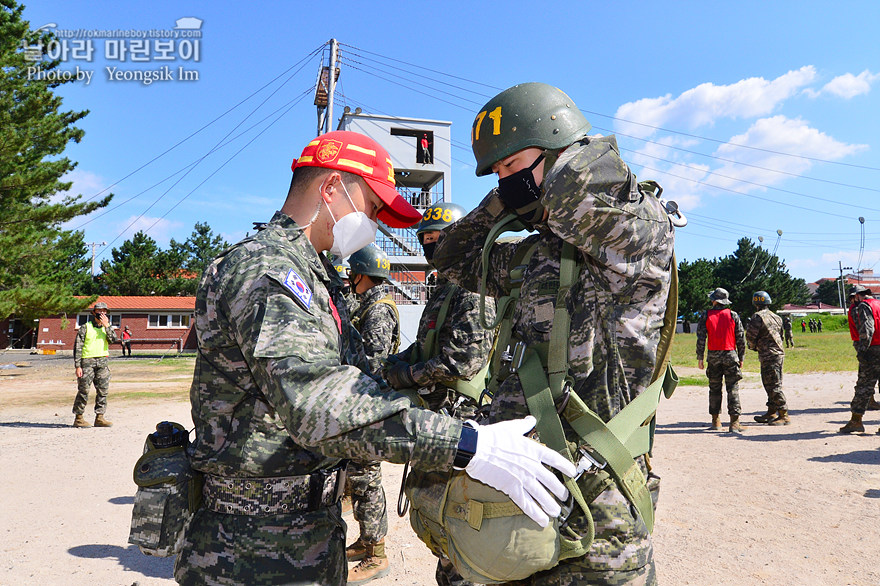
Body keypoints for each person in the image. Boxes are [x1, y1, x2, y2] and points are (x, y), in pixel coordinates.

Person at [174, 130, 575, 586]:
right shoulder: (266, 270)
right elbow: (319, 404)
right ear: (330, 189)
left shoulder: (314, 276)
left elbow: (365, 375)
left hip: (300, 530)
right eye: (371, 209)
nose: (374, 225)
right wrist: (465, 445)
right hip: (247, 545)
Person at [431, 83, 676, 585]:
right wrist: (504, 200)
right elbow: (451, 258)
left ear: (559, 148)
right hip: (516, 492)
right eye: (497, 175)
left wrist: (565, 159)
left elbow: (580, 198)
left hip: (598, 508)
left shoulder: (638, 231)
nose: (506, 182)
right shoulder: (535, 255)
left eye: (513, 164)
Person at [384, 202, 497, 586]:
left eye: (439, 240)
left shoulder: (474, 288)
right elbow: (423, 347)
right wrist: (388, 365)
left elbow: (461, 361)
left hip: (463, 420)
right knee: (438, 524)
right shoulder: (442, 288)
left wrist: (405, 376)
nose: (432, 247)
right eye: (426, 241)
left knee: (461, 522)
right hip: (438, 415)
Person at [343, 243, 400, 584]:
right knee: (360, 477)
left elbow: (372, 365)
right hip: (362, 404)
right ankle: (367, 540)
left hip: (368, 407)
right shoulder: (368, 304)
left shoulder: (377, 310)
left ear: (363, 275)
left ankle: (377, 554)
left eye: (352, 274)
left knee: (366, 480)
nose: (350, 280)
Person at [696, 287, 747, 433]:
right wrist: (741, 357)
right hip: (730, 354)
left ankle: (716, 421)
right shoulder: (733, 315)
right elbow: (740, 338)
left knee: (714, 388)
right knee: (733, 388)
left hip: (713, 356)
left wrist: (700, 357)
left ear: (714, 300)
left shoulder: (706, 315)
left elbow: (701, 338)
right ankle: (734, 423)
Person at [839, 285, 880, 434]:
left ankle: (856, 420)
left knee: (864, 386)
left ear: (857, 296)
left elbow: (867, 329)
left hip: (873, 349)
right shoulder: (879, 304)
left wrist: (863, 350)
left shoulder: (864, 306)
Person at [746, 291, 790, 425]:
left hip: (768, 355)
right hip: (778, 354)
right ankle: (771, 412)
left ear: (756, 303)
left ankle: (784, 414)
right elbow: (781, 335)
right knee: (772, 383)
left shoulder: (757, 317)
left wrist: (752, 346)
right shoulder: (776, 317)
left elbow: (751, 336)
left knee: (773, 385)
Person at [72, 301, 118, 428]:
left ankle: (100, 417)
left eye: (104, 311)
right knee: (84, 390)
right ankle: (79, 417)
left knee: (103, 391)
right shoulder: (85, 327)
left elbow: (114, 340)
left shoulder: (106, 327)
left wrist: (107, 326)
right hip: (87, 363)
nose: (101, 313)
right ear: (94, 313)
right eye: (99, 311)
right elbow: (78, 347)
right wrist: (78, 366)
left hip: (102, 362)